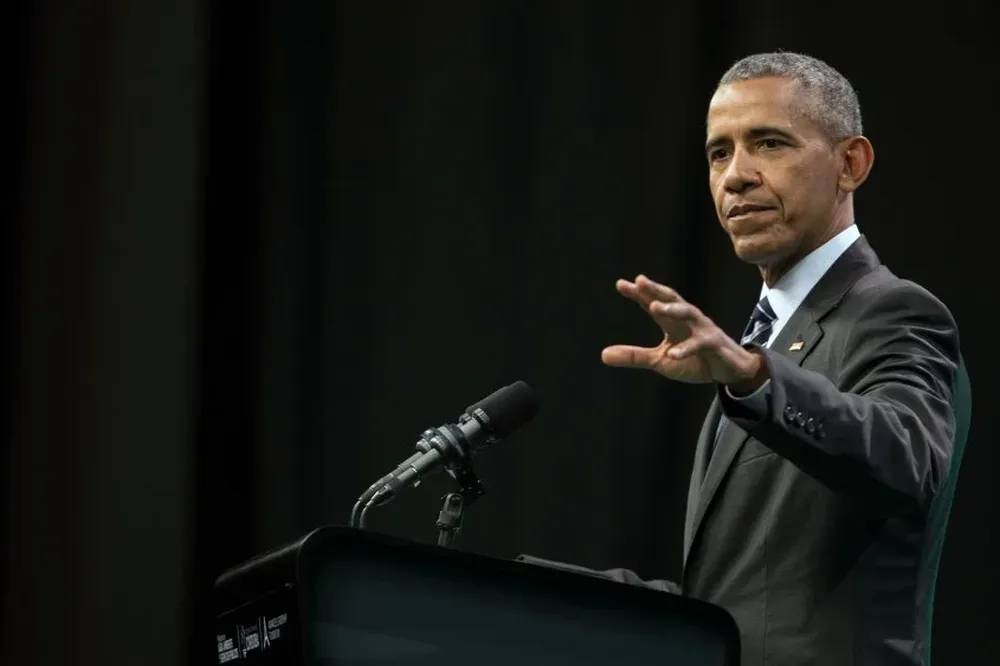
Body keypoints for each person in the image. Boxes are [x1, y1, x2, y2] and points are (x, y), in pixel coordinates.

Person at [517, 52, 971, 666]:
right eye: (719, 153)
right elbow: (740, 606)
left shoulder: (890, 310)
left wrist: (754, 377)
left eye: (770, 143)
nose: (736, 176)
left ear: (850, 164)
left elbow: (907, 458)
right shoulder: (769, 337)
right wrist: (530, 595)